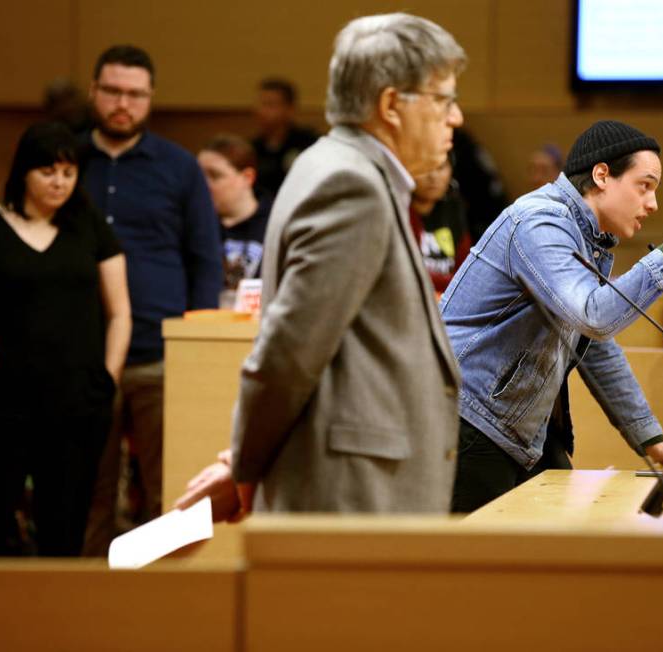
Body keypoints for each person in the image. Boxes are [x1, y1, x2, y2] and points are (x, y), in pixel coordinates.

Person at [176, 13, 466, 517]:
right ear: (391, 105)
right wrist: (243, 467)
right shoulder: (352, 186)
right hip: (352, 497)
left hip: (357, 486)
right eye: (443, 99)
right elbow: (288, 354)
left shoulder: (337, 166)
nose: (456, 117)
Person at [442, 120, 663, 513]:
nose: (653, 204)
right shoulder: (539, 222)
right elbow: (594, 317)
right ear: (601, 176)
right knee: (476, 569)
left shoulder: (582, 236)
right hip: (470, 420)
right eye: (644, 186)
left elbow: (595, 345)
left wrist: (652, 442)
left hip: (516, 430)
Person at [0, 122, 131, 555]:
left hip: (75, 402)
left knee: (65, 526)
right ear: (23, 172)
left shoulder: (90, 228)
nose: (59, 183)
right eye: (47, 172)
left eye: (68, 173)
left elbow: (120, 312)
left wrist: (107, 377)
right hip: (0, 404)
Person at [81, 45, 222, 555]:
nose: (124, 103)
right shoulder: (67, 161)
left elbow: (205, 259)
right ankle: (87, 589)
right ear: (94, 92)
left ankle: (162, 591)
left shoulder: (179, 167)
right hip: (83, 355)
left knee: (171, 488)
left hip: (163, 353)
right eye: (114, 91)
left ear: (150, 98)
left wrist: (197, 343)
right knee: (88, 488)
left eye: (135, 94)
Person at [197, 134, 272, 303]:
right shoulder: (193, 224)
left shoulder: (276, 223)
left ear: (247, 178)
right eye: (199, 177)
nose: (203, 185)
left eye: (215, 176)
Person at [409, 157, 471, 293]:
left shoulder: (454, 209)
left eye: (440, 167)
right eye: (424, 168)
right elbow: (406, 274)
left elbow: (466, 271)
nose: (433, 177)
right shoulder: (399, 211)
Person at [251, 78, 319, 195]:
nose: (262, 111)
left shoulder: (309, 144)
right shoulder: (253, 148)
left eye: (270, 105)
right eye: (261, 104)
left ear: (290, 109)